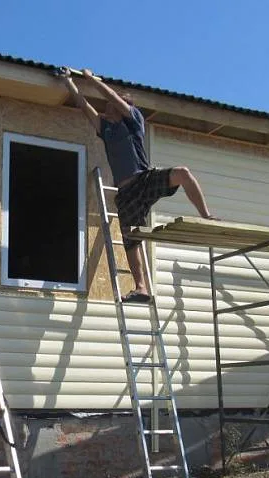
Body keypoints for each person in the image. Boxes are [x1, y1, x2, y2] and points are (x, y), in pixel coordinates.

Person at [62, 68, 218, 303]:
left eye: (113, 104)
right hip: (126, 194)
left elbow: (113, 98)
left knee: (183, 173)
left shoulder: (134, 121)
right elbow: (85, 107)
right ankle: (141, 288)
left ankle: (206, 215)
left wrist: (91, 79)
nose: (107, 107)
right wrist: (69, 83)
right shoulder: (106, 129)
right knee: (131, 239)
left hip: (145, 179)